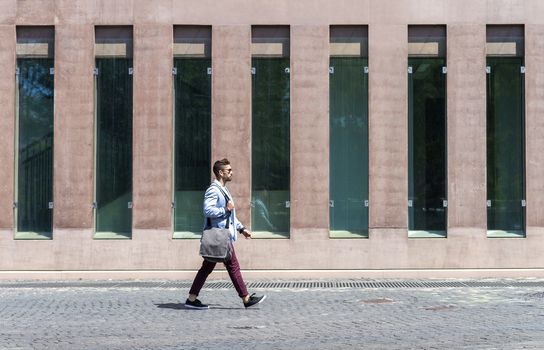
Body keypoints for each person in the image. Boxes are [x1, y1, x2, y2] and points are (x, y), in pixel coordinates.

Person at [185, 158, 266, 309]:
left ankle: (191, 298)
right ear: (221, 173)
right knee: (232, 266)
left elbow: (230, 216)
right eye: (229, 170)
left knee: (208, 267)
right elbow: (207, 210)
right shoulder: (213, 189)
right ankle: (246, 298)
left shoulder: (223, 189)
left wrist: (242, 229)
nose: (232, 172)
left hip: (222, 235)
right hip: (220, 236)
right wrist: (225, 209)